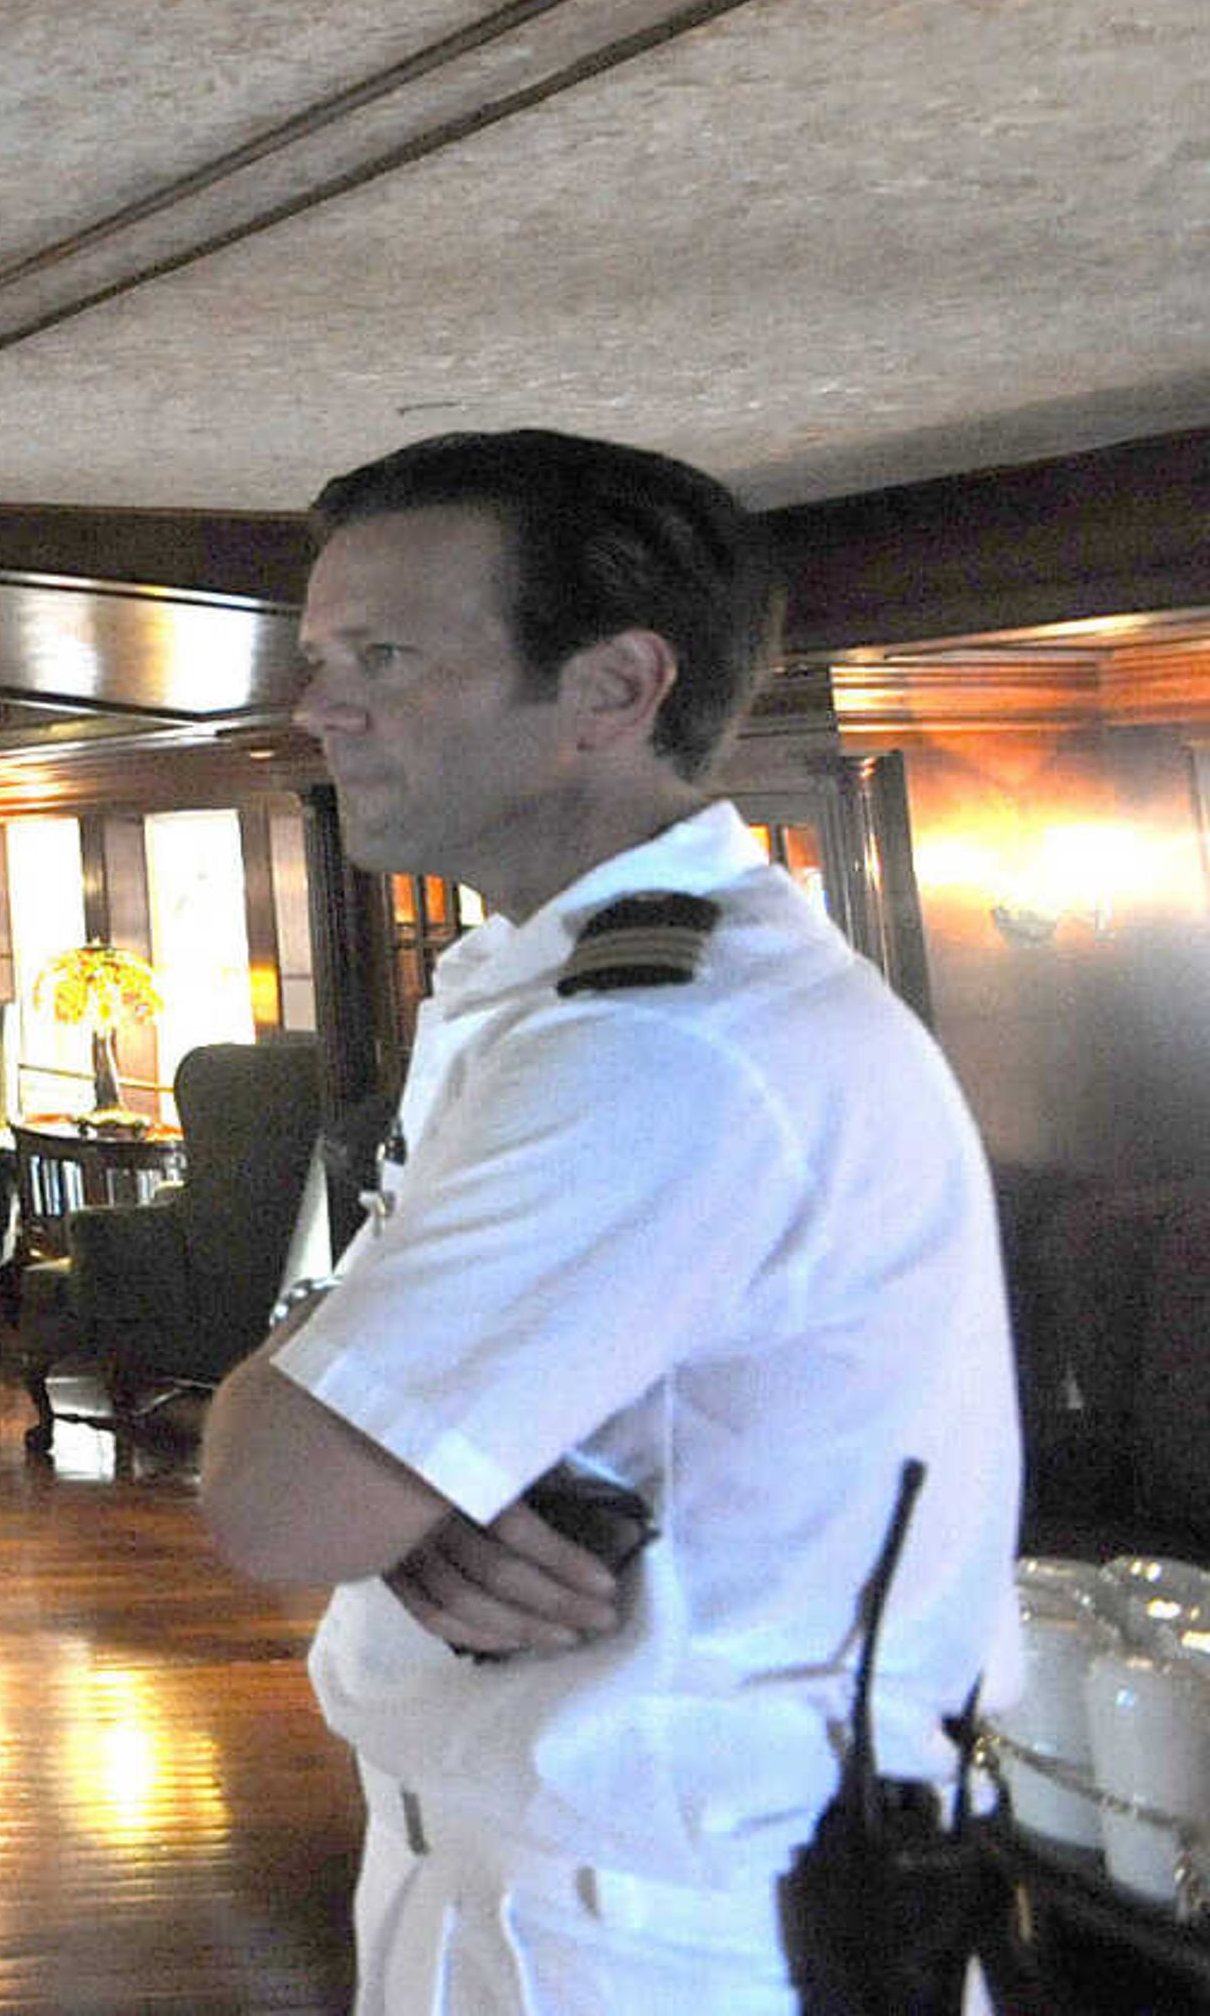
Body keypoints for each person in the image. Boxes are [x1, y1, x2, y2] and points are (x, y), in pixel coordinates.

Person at [197, 429, 1019, 2016]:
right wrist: (415, 1494)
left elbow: (280, 1506)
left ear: (611, 690)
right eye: (316, 657)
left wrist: (354, 1454)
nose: (316, 708)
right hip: (530, 1876)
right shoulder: (552, 993)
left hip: (661, 1930)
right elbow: (345, 1467)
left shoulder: (658, 1047)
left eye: (384, 654)